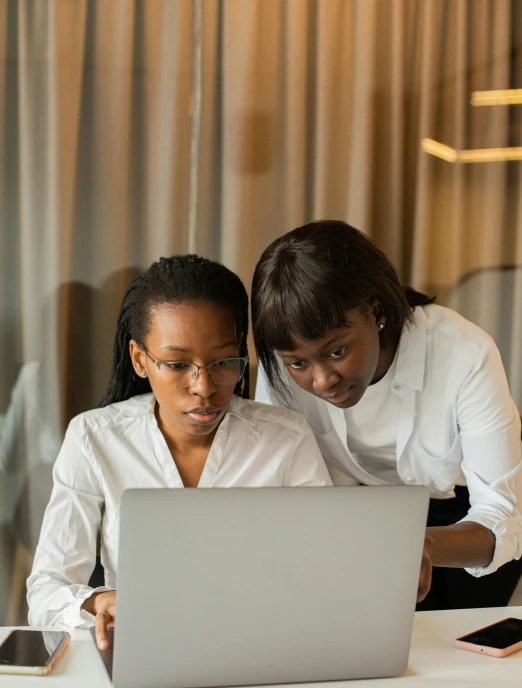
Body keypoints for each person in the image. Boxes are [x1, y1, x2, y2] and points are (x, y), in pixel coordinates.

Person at [27, 255, 331, 646]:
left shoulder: (286, 438)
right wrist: (97, 601)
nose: (204, 386)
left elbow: (324, 570)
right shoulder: (94, 438)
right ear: (140, 360)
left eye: (223, 361)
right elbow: (46, 591)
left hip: (261, 646)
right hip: (144, 649)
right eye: (176, 364)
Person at [252, 220, 522, 610]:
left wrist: (419, 543)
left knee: (455, 652)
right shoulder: (280, 371)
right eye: (298, 363)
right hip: (374, 515)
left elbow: (502, 518)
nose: (323, 380)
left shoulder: (464, 354)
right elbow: (278, 492)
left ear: (376, 312)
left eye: (337, 351)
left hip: (468, 519)